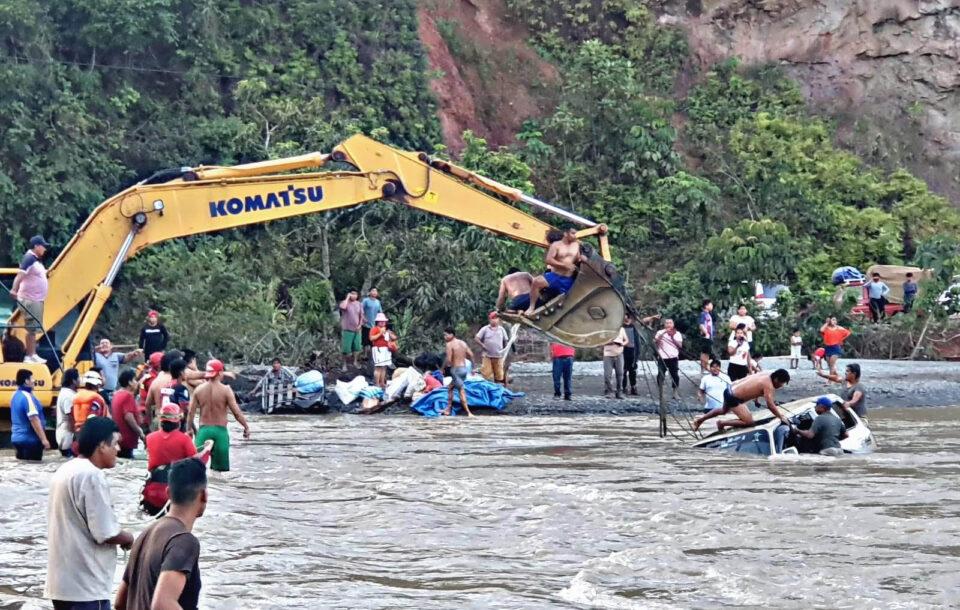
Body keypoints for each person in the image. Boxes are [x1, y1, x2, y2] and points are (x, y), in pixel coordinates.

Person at [45, 417, 135, 610]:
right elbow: (105, 533)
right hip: (86, 587)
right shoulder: (92, 475)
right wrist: (129, 538)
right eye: (115, 443)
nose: (118, 449)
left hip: (62, 584)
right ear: (102, 446)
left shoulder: (66, 469)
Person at [116, 457, 207, 610]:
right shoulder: (183, 541)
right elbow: (162, 604)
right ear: (204, 495)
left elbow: (120, 603)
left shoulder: (145, 534)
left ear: (168, 493)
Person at [186, 359, 250, 472]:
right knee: (220, 473)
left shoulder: (198, 390)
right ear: (220, 373)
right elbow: (236, 412)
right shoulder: (226, 390)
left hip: (203, 431)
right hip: (220, 432)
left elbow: (191, 412)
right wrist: (246, 427)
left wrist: (189, 429)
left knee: (195, 469)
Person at [693, 369, 791, 432]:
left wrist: (756, 399)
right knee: (749, 422)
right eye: (781, 383)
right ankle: (722, 423)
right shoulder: (768, 385)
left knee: (723, 411)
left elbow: (756, 384)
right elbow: (770, 405)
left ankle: (699, 420)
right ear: (776, 379)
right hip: (733, 398)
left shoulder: (767, 373)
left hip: (729, 389)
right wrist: (780, 417)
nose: (781, 386)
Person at [10, 234, 51, 363]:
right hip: (29, 298)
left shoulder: (35, 260)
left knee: (33, 328)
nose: (45, 249)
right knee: (31, 328)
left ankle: (32, 354)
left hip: (36, 299)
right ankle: (30, 355)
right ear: (36, 246)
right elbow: (20, 275)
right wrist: (14, 289)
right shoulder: (29, 259)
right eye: (43, 246)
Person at [524, 227, 581, 316]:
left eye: (575, 233)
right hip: (555, 276)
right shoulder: (556, 245)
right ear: (566, 234)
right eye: (573, 233)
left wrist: (581, 260)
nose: (575, 236)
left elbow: (578, 258)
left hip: (568, 279)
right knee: (536, 281)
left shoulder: (576, 245)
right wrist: (564, 265)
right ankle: (531, 307)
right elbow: (549, 260)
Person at [11, 368, 50, 460]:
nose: (34, 381)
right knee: (35, 469)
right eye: (32, 379)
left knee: (23, 470)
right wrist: (44, 440)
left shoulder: (15, 395)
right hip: (30, 440)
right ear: (26, 381)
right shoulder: (28, 397)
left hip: (16, 439)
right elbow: (34, 419)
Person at [94, 338, 142, 404]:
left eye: (106, 343)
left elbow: (126, 357)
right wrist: (94, 349)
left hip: (112, 390)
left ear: (111, 346)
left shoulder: (116, 355)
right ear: (99, 346)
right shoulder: (95, 356)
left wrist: (134, 353)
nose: (104, 344)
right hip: (100, 390)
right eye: (102, 343)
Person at [112, 369, 145, 459]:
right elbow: (128, 417)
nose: (136, 382)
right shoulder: (127, 395)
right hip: (127, 437)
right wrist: (139, 431)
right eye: (134, 380)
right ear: (130, 382)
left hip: (119, 437)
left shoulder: (117, 394)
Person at [441, 328, 474, 417]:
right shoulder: (463, 343)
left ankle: (469, 412)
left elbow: (448, 359)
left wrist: (444, 368)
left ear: (452, 335)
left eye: (446, 335)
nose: (445, 337)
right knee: (450, 387)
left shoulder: (449, 344)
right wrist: (473, 368)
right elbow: (471, 355)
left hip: (456, 370)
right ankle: (448, 409)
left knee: (461, 390)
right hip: (464, 370)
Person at [475, 311, 509, 385]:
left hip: (498, 356)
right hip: (487, 355)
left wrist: (504, 350)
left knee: (499, 375)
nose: (495, 320)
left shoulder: (501, 329)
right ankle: (488, 388)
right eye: (493, 318)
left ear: (498, 320)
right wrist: (483, 345)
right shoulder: (485, 329)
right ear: (489, 320)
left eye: (496, 318)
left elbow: (505, 340)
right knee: (486, 374)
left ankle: (498, 390)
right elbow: (477, 338)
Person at [72, 370, 109, 436]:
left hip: (78, 432)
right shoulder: (95, 398)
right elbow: (93, 417)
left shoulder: (77, 396)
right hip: (92, 433)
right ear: (97, 385)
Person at [653, 318, 683, 399]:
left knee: (675, 376)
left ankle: (675, 393)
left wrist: (672, 337)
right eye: (667, 323)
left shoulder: (677, 333)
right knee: (660, 375)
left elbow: (680, 346)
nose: (668, 324)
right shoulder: (659, 332)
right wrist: (663, 334)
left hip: (673, 357)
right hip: (662, 357)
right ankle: (661, 393)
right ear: (664, 324)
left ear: (673, 324)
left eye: (670, 323)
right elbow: (656, 342)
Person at [56, 368, 80, 457]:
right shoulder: (69, 396)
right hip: (67, 437)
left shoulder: (65, 392)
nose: (80, 380)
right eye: (78, 378)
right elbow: (70, 417)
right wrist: (77, 437)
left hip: (64, 434)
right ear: (74, 381)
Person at [369, 313, 397, 388]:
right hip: (378, 349)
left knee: (384, 367)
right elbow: (371, 338)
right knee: (378, 367)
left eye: (384, 321)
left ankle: (382, 383)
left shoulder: (387, 330)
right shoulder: (374, 329)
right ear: (377, 321)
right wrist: (380, 333)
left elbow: (394, 338)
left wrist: (389, 334)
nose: (382, 322)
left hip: (386, 350)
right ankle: (377, 383)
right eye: (381, 321)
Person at [339, 289, 364, 370]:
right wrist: (347, 298)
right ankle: (344, 365)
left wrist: (360, 325)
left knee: (357, 347)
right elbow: (343, 307)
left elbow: (361, 315)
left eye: (356, 294)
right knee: (345, 349)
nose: (354, 296)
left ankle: (355, 362)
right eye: (352, 294)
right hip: (347, 329)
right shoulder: (344, 302)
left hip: (357, 330)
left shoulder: (359, 304)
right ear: (349, 294)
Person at [602, 324, 629, 399]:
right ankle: (609, 391)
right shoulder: (605, 329)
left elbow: (626, 340)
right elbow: (600, 342)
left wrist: (622, 344)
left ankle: (619, 392)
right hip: (608, 354)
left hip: (619, 353)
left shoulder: (621, 329)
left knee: (620, 374)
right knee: (607, 374)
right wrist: (609, 342)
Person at [621, 314, 642, 396]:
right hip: (623, 350)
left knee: (632, 370)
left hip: (632, 351)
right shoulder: (621, 327)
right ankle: (624, 387)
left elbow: (637, 342)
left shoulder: (634, 327)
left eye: (627, 317)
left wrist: (637, 354)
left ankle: (633, 387)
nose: (626, 319)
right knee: (623, 370)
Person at [360, 288, 383, 356]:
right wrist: (363, 318)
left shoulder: (378, 302)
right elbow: (360, 310)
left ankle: (372, 355)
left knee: (373, 340)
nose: (374, 292)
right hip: (366, 324)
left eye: (376, 291)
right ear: (369, 292)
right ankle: (365, 354)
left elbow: (380, 312)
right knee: (365, 340)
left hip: (375, 324)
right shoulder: (365, 300)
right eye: (373, 291)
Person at [698, 299, 715, 373]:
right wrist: (706, 333)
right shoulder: (703, 314)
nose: (712, 306)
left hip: (709, 336)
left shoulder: (708, 314)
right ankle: (704, 368)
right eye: (711, 304)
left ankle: (705, 367)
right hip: (706, 336)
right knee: (704, 353)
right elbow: (701, 325)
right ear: (706, 306)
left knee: (707, 353)